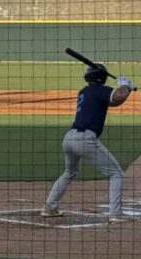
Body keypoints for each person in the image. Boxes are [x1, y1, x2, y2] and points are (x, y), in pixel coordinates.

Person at [42, 64, 136, 222]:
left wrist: (126, 89)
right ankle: (115, 215)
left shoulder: (85, 91)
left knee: (69, 172)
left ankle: (49, 207)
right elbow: (117, 97)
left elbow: (114, 101)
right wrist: (125, 86)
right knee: (116, 174)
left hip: (69, 138)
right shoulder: (100, 90)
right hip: (85, 140)